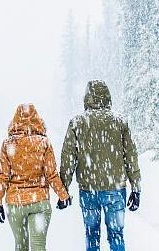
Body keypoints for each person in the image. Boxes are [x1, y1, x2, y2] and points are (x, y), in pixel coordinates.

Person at [58, 80, 142, 251]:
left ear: (87, 98)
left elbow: (68, 158)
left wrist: (63, 189)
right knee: (116, 234)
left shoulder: (77, 123)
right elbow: (130, 156)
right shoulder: (119, 122)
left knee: (91, 234)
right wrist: (136, 188)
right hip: (115, 189)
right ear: (107, 97)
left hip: (89, 190)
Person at [0, 104, 73, 251]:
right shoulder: (43, 143)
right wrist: (63, 195)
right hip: (39, 202)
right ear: (37, 119)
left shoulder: (8, 144)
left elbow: (3, 175)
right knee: (38, 247)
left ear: (15, 120)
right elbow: (51, 174)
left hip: (15, 203)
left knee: (20, 246)